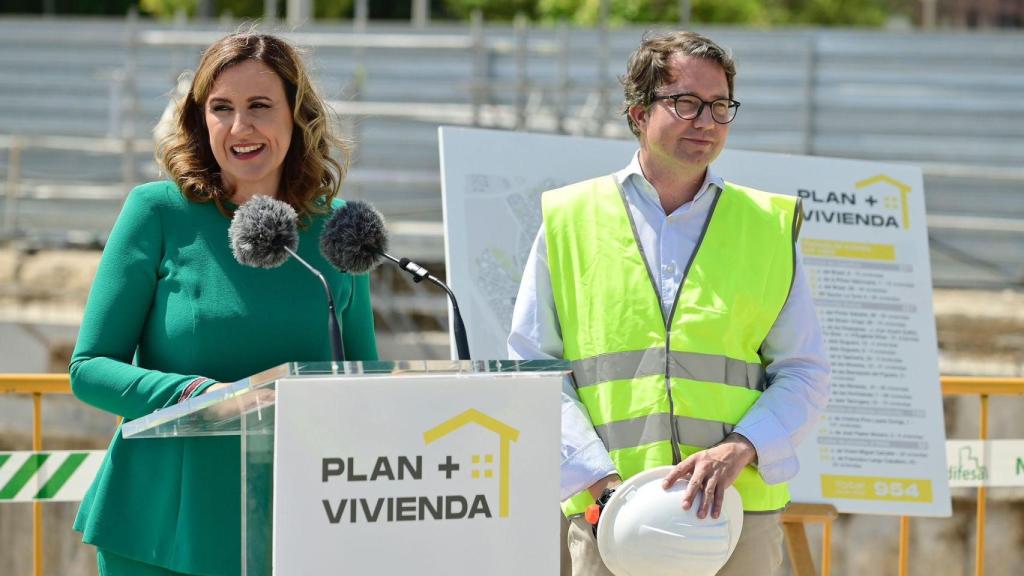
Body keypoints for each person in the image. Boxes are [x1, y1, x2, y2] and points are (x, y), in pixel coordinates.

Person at [508, 31, 829, 576]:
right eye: (686, 102)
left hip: (736, 519)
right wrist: (598, 484)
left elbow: (803, 370)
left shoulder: (769, 227)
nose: (705, 121)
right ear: (638, 112)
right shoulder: (569, 219)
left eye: (720, 106)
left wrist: (743, 448)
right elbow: (534, 369)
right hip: (607, 513)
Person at [70, 32, 378, 576]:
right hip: (161, 530)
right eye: (221, 108)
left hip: (300, 526)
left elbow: (364, 383)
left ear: (297, 116)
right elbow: (88, 369)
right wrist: (195, 396)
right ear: (200, 120)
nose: (240, 128)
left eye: (260, 106)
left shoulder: (339, 229)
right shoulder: (156, 212)